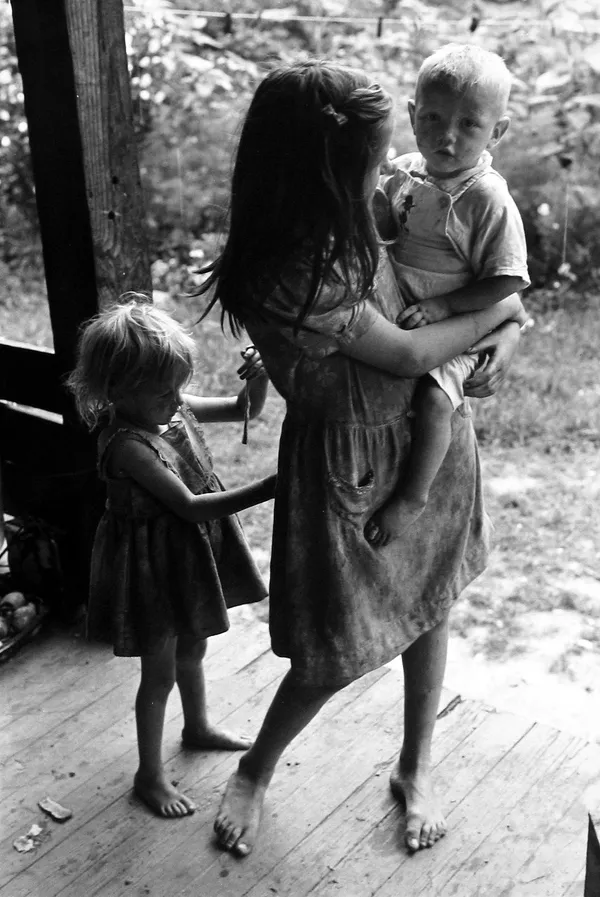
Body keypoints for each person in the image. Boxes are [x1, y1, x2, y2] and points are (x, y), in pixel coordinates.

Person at [197, 60, 528, 855]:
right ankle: (256, 768)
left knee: (430, 601)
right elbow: (413, 352)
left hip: (425, 443)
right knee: (333, 646)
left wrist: (505, 329)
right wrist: (504, 310)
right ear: (323, 169)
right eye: (378, 156)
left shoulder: (355, 220)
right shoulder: (293, 266)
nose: (396, 167)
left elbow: (471, 293)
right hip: (350, 467)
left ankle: (415, 765)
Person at [67, 296, 276, 818]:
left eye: (178, 385)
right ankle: (149, 775)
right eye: (163, 390)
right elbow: (186, 506)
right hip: (152, 566)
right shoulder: (127, 444)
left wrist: (259, 376)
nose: (176, 398)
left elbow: (244, 409)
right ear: (117, 389)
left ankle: (198, 725)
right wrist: (273, 488)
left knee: (194, 647)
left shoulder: (169, 406)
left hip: (185, 554)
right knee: (157, 675)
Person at [367, 44, 530, 546]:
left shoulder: (488, 198)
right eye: (433, 118)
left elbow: (507, 281)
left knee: (437, 401)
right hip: (402, 313)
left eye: (469, 125)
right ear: (413, 115)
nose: (448, 136)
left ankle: (414, 495)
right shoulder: (408, 170)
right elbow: (394, 231)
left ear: (496, 132)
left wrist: (444, 308)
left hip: (457, 326)